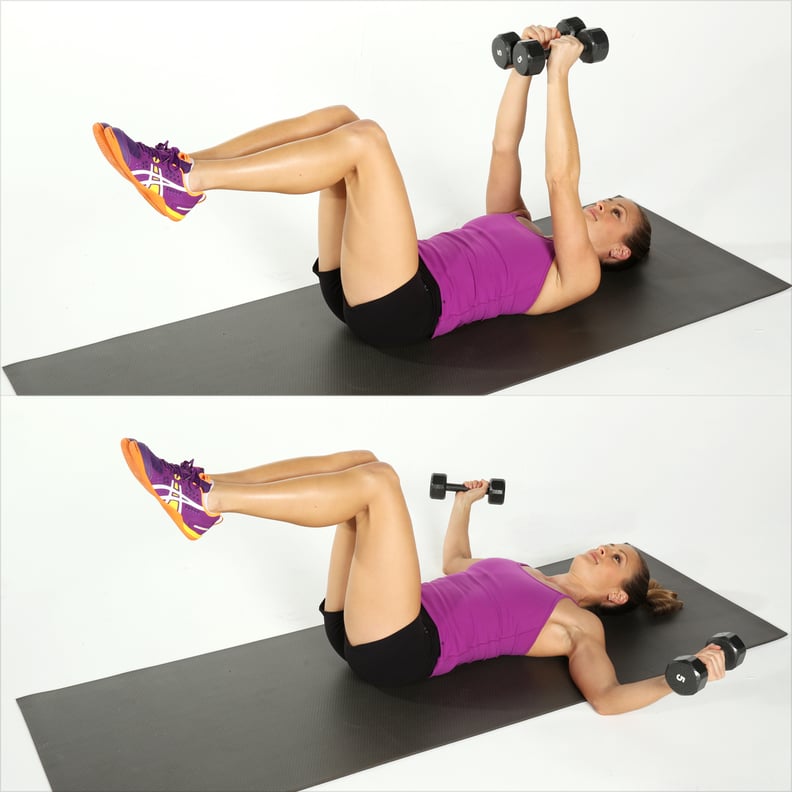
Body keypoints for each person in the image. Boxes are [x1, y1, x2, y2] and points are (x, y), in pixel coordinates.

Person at [93, 25, 652, 347]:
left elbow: (562, 175)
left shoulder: (578, 275)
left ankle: (188, 182)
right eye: (611, 200)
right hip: (363, 282)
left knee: (366, 141)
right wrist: (522, 72)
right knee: (342, 118)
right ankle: (185, 163)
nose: (601, 203)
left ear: (618, 249)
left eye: (615, 212)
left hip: (404, 306)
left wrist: (560, 76)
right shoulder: (521, 223)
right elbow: (505, 147)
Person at [120, 439, 729, 715]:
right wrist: (463, 506)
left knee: (379, 484)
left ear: (614, 596)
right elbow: (457, 565)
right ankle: (204, 485)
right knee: (364, 461)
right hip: (366, 621)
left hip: (401, 647)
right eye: (610, 544)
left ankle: (208, 501)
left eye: (615, 557)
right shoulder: (524, 571)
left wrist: (691, 672)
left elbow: (606, 698)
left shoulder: (578, 627)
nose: (602, 548)